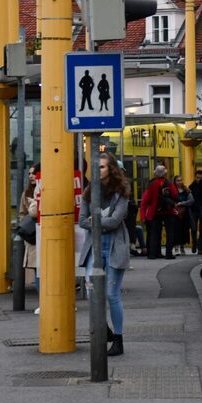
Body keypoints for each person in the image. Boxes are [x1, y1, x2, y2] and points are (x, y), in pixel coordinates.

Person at [78, 152, 130, 356]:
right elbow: (82, 220)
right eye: (96, 167)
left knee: (111, 294)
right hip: (95, 248)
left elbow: (117, 221)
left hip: (115, 247)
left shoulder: (121, 192)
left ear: (111, 169)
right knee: (92, 293)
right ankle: (104, 329)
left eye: (102, 167)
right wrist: (97, 223)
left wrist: (95, 222)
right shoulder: (89, 192)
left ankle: (118, 339)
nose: (97, 171)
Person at [139, 165, 178, 260]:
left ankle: (153, 253)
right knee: (170, 233)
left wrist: (143, 215)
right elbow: (175, 194)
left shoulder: (152, 184)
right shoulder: (168, 182)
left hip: (155, 212)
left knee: (155, 234)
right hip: (168, 211)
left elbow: (145, 199)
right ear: (164, 173)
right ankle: (169, 253)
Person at [189, 169, 202, 255]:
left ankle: (200, 248)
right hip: (194, 210)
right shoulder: (192, 186)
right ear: (195, 177)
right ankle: (194, 244)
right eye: (197, 178)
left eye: (200, 178)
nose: (199, 179)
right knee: (193, 229)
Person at [172, 175, 193, 255]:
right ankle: (176, 248)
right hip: (175, 213)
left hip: (184, 214)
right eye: (177, 180)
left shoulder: (186, 190)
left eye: (180, 180)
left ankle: (182, 246)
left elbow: (191, 200)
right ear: (174, 181)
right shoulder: (173, 190)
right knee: (176, 230)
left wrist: (182, 203)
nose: (179, 182)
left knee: (184, 230)